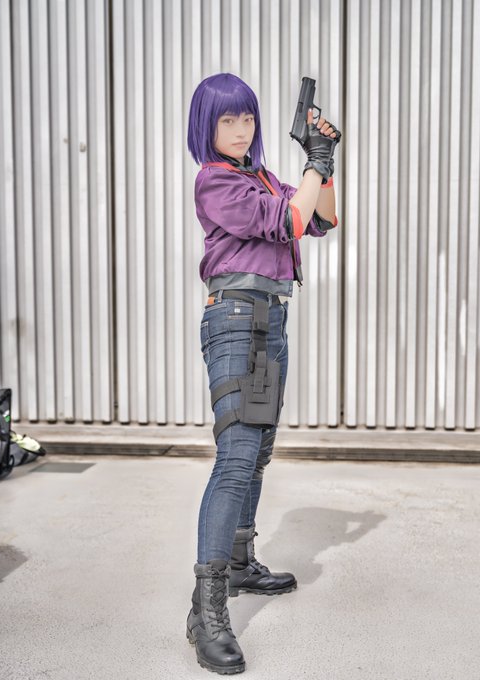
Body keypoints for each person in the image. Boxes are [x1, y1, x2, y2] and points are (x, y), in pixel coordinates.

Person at [185, 72, 341, 675]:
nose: (241, 129)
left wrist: (323, 160)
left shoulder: (265, 179)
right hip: (235, 319)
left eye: (247, 117)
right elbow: (289, 223)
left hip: (270, 318)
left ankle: (240, 562)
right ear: (207, 126)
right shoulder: (215, 180)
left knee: (257, 451)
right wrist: (314, 163)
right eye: (228, 119)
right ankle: (206, 610)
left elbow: (322, 217)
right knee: (236, 456)